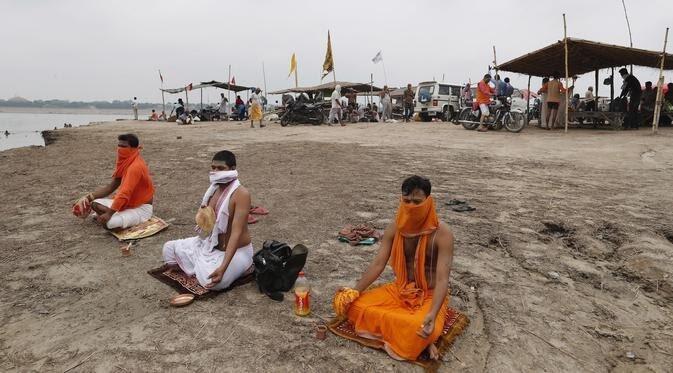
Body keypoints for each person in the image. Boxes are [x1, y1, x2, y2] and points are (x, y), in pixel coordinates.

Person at [334, 175, 454, 361]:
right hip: (400, 289)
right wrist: (354, 292)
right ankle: (410, 334)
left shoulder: (442, 233)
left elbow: (442, 280)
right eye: (406, 201)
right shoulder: (395, 228)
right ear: (401, 199)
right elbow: (378, 264)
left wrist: (431, 314)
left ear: (428, 201)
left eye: (417, 202)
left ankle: (424, 333)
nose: (411, 206)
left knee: (418, 326)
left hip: (429, 294)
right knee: (353, 306)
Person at [162, 150, 254, 290]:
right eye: (213, 168)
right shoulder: (213, 190)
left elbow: (236, 233)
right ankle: (200, 263)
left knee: (210, 282)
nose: (215, 171)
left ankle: (241, 267)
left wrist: (223, 267)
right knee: (168, 249)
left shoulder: (241, 194)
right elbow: (207, 227)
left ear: (233, 169)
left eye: (221, 168)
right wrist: (204, 215)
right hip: (211, 246)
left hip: (237, 252)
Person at [73, 134, 154, 230]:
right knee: (94, 204)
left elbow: (125, 193)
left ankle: (115, 215)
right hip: (126, 204)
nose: (120, 149)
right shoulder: (125, 162)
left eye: (124, 147)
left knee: (109, 224)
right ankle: (117, 214)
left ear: (134, 148)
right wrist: (86, 198)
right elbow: (111, 187)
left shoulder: (135, 167)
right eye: (119, 145)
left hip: (141, 208)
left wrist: (109, 214)